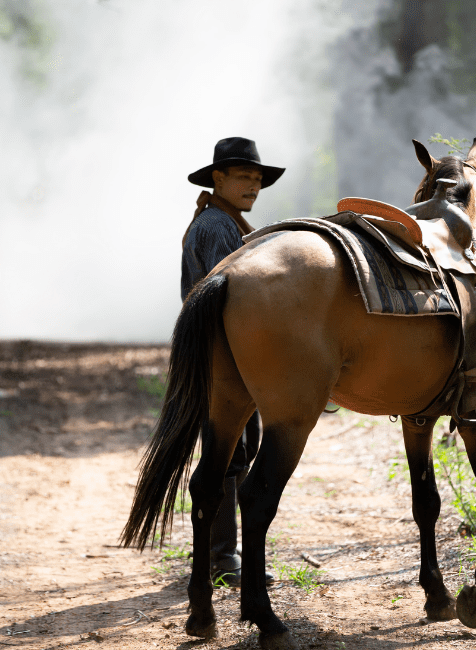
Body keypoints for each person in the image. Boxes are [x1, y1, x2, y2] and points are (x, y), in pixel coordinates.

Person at [181, 137, 284, 587]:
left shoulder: (223, 221)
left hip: (226, 352)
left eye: (258, 180)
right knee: (226, 454)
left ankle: (221, 551)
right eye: (243, 177)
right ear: (218, 178)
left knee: (235, 452)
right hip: (224, 355)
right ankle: (223, 557)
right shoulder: (219, 228)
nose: (253, 186)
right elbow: (236, 300)